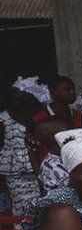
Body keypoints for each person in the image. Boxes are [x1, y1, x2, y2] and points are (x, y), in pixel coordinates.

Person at [1, 78, 44, 217]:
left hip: (37, 168)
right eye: (15, 93)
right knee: (22, 208)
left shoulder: (37, 117)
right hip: (15, 171)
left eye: (21, 92)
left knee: (40, 206)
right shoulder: (3, 118)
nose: (17, 96)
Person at [35, 117, 72, 192]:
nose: (72, 136)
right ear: (53, 140)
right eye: (67, 136)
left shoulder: (68, 155)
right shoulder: (51, 165)